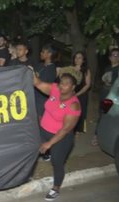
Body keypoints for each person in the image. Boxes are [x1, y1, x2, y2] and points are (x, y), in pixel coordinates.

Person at [33, 72, 81, 201]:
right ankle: (46, 154)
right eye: (61, 82)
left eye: (66, 84)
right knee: (32, 147)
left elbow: (65, 130)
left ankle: (56, 188)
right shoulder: (55, 89)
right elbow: (37, 83)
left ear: (73, 87)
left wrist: (49, 144)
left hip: (61, 138)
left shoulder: (73, 105)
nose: (62, 86)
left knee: (57, 162)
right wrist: (28, 71)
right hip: (44, 130)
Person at [58, 51, 91, 135]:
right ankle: (66, 128)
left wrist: (77, 94)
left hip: (81, 94)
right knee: (66, 111)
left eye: (79, 57)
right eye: (76, 57)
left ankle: (78, 130)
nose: (77, 59)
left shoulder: (86, 70)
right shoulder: (69, 68)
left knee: (79, 113)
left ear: (83, 60)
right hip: (69, 94)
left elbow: (87, 85)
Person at [34, 44, 58, 118]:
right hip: (34, 96)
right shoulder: (39, 65)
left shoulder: (52, 69)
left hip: (42, 99)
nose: (41, 53)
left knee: (39, 118)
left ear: (49, 54)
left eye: (43, 52)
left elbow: (49, 85)